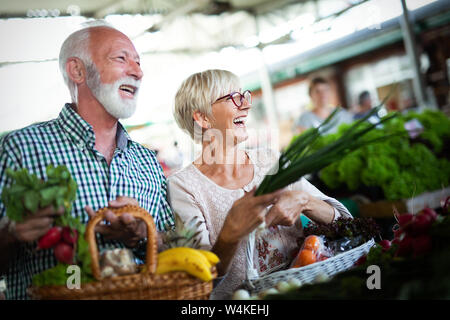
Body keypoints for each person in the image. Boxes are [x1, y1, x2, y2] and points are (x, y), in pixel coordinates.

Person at [0, 22, 174, 299]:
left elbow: (176, 253)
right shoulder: (21, 148)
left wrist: (144, 235)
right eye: (121, 58)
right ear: (77, 70)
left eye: (138, 62)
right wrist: (10, 234)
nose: (138, 71)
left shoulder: (147, 160)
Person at [168, 69, 352, 299]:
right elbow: (202, 279)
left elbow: (346, 222)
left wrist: (305, 201)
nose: (245, 105)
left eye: (244, 96)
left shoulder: (269, 160)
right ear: (203, 118)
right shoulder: (183, 186)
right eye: (233, 98)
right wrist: (229, 234)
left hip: (311, 291)